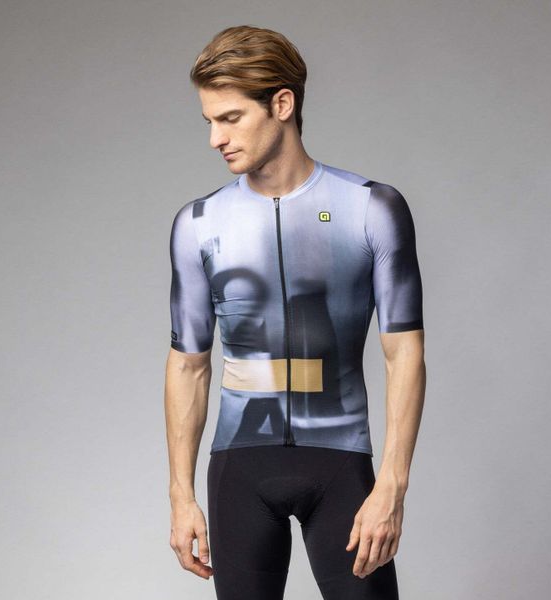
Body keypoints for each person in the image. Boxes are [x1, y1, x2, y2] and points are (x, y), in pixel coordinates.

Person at [164, 25, 426, 600]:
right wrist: (181, 496)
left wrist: (392, 486)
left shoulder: (371, 209)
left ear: (282, 105)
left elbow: (404, 352)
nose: (214, 138)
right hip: (240, 470)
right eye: (209, 121)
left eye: (230, 118)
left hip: (341, 463)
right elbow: (188, 364)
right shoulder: (198, 224)